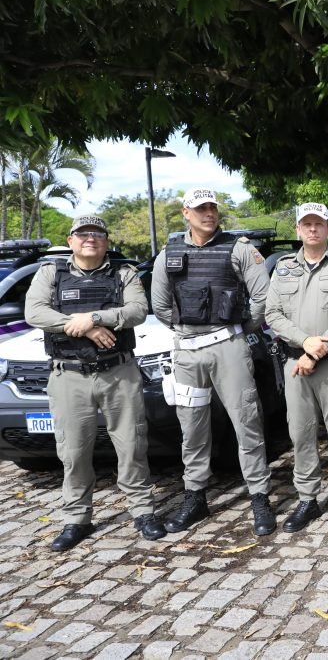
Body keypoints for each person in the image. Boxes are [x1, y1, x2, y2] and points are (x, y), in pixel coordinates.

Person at [25, 215, 165, 550]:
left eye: (98, 234)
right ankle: (77, 518)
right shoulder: (50, 273)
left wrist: (97, 317)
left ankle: (143, 510)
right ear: (70, 240)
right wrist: (82, 326)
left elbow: (136, 311)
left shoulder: (123, 272)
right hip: (68, 375)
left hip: (118, 372)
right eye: (83, 234)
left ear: (106, 241)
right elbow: (34, 312)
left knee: (131, 445)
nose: (91, 238)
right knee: (73, 450)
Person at [151, 187, 276, 537]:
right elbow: (160, 305)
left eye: (212, 208)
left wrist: (240, 329)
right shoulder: (169, 254)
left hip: (229, 346)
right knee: (192, 428)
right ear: (185, 213)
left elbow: (262, 298)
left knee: (247, 422)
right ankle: (195, 496)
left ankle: (259, 496)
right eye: (200, 208)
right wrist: (187, 329)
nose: (208, 213)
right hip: (187, 351)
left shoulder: (239, 249)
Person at [265, 203, 328, 534]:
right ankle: (307, 498)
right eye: (306, 224)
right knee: (301, 434)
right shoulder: (283, 268)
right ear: (297, 229)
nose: (312, 229)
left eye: (318, 224)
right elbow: (273, 313)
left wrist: (318, 349)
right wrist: (305, 342)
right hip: (296, 364)